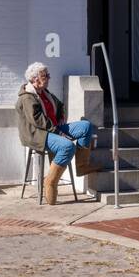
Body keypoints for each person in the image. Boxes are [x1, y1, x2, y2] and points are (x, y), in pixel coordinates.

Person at [15, 62, 96, 205]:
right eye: (45, 75)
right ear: (35, 79)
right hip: (37, 134)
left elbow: (59, 105)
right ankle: (50, 182)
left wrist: (60, 117)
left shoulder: (45, 93)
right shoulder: (27, 97)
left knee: (86, 126)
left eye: (48, 75)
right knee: (67, 146)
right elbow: (38, 121)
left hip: (52, 129)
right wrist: (58, 132)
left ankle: (81, 165)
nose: (49, 78)